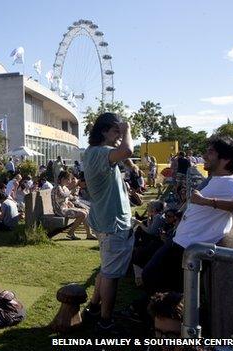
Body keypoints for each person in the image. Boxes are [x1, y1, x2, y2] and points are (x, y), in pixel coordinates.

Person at [142, 135, 233, 293]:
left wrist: (206, 201)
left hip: (188, 246)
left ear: (225, 159)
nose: (204, 156)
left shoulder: (229, 182)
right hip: (182, 241)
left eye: (210, 152)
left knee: (153, 278)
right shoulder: (217, 179)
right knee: (157, 280)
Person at [82, 112, 134, 334]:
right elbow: (127, 150)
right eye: (115, 131)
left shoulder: (94, 153)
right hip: (113, 224)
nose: (119, 135)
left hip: (105, 221)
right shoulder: (101, 153)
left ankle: (94, 308)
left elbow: (124, 156)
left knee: (105, 270)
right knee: (111, 276)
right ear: (104, 131)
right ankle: (105, 321)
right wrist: (128, 129)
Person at [52, 171, 95, 240]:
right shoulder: (57, 188)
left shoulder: (64, 188)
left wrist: (70, 200)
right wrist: (71, 191)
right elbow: (63, 195)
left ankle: (89, 234)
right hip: (60, 210)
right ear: (63, 179)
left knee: (86, 211)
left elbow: (70, 197)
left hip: (65, 208)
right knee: (83, 214)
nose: (69, 181)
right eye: (68, 179)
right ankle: (71, 232)